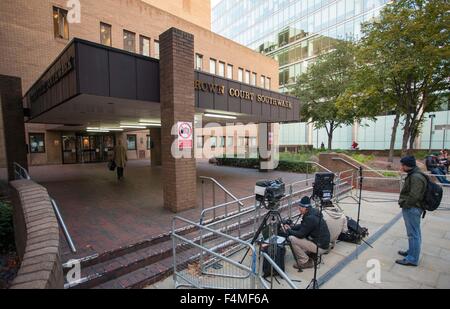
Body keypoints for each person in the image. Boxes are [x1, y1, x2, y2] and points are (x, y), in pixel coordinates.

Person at [284, 196, 331, 270]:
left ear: (305, 208)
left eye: (300, 208)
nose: (299, 210)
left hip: (320, 247)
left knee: (291, 238)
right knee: (301, 236)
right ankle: (312, 254)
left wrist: (288, 230)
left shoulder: (310, 218)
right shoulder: (314, 211)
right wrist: (292, 227)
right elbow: (304, 225)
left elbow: (300, 234)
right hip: (323, 243)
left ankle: (304, 262)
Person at [397, 156, 427, 267]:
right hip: (413, 207)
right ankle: (412, 251)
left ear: (407, 165)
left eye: (402, 165)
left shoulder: (416, 177)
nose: (401, 167)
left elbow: (414, 196)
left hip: (412, 208)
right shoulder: (414, 174)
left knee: (413, 234)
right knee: (415, 232)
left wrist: (405, 204)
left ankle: (412, 258)